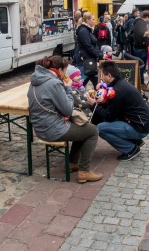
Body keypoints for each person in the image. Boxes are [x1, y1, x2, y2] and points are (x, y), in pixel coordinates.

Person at [28, 55, 101, 183]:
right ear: (59, 70)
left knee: (83, 127)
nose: (65, 74)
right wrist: (68, 88)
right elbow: (67, 109)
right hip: (52, 129)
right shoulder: (54, 82)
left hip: (39, 127)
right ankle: (84, 171)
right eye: (65, 71)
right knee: (93, 131)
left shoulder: (36, 79)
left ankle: (72, 162)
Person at [88, 61, 149, 160]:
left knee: (100, 128)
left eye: (102, 75)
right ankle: (136, 141)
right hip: (142, 123)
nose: (100, 78)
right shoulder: (120, 84)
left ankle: (131, 149)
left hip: (139, 128)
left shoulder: (116, 91)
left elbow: (109, 116)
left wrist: (93, 105)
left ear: (109, 76)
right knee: (108, 121)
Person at [75, 11, 101, 87]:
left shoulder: (87, 30)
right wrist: (100, 54)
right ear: (87, 20)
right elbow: (88, 46)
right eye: (93, 19)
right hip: (85, 60)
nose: (94, 21)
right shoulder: (83, 31)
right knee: (82, 81)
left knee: (94, 80)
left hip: (89, 60)